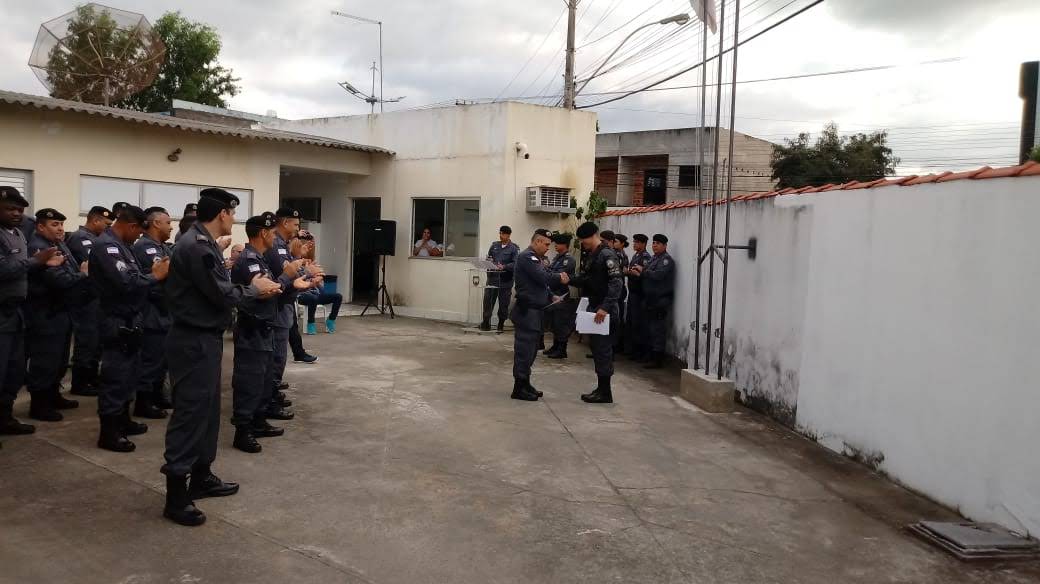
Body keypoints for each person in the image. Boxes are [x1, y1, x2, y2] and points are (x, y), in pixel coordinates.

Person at [161, 188, 281, 527]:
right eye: (232, 213)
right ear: (223, 214)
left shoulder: (201, 243)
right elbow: (222, 294)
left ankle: (201, 475)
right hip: (193, 340)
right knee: (190, 414)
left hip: (204, 340)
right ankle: (176, 495)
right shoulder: (198, 247)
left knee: (208, 412)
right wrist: (254, 289)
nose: (233, 219)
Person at [90, 205, 169, 452]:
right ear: (132, 226)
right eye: (137, 232)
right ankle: (109, 433)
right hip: (116, 319)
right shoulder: (107, 246)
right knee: (116, 376)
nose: (138, 237)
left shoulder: (123, 246)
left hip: (131, 318)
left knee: (130, 373)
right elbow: (126, 282)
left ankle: (123, 420)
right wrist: (155, 276)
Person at [230, 213, 311, 453]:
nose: (273, 236)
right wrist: (288, 277)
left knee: (263, 379)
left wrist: (292, 284)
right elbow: (266, 291)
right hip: (252, 329)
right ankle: (243, 431)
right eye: (271, 232)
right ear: (264, 233)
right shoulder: (249, 260)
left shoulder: (260, 259)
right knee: (249, 381)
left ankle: (257, 420)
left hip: (264, 327)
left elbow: (274, 290)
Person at [24, 208, 91, 423]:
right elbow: (60, 280)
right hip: (45, 311)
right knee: (46, 359)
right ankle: (39, 404)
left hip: (61, 310)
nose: (60, 228)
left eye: (61, 224)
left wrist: (76, 275)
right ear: (40, 226)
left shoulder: (58, 244)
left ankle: (53, 395)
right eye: (54, 225)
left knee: (59, 358)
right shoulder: (39, 248)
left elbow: (68, 272)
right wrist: (81, 275)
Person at [263, 207, 322, 420]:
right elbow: (285, 276)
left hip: (283, 305)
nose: (298, 230)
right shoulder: (276, 246)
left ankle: (272, 394)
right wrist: (306, 274)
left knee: (278, 356)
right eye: (296, 225)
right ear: (285, 222)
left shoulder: (282, 245)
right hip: (277, 307)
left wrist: (306, 276)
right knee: (276, 357)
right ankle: (268, 401)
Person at [510, 229, 568, 401]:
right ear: (537, 242)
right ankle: (519, 388)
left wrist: (551, 296)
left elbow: (540, 285)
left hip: (536, 313)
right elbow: (542, 276)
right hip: (527, 312)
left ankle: (525, 383)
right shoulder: (527, 257)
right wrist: (560, 277)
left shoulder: (537, 259)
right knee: (524, 350)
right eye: (546, 244)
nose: (548, 248)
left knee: (532, 350)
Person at [570, 222, 623, 404]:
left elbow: (616, 283)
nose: (582, 244)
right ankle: (601, 389)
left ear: (592, 236)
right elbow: (587, 279)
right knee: (598, 349)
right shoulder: (593, 254)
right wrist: (569, 280)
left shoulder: (607, 254)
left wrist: (605, 307)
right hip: (596, 308)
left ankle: (605, 392)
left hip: (604, 311)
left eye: (583, 240)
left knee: (603, 350)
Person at [131, 207, 174, 418]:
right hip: (152, 312)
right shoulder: (146, 248)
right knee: (150, 360)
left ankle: (156, 395)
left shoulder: (161, 247)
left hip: (164, 313)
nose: (171, 226)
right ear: (156, 223)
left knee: (161, 359)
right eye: (167, 222)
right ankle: (143, 402)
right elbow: (155, 283)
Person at [66, 205, 113, 397]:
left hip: (96, 298)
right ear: (95, 221)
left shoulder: (96, 239)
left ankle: (91, 378)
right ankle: (80, 382)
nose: (109, 228)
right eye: (106, 224)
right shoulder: (81, 238)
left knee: (95, 341)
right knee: (87, 340)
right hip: (85, 299)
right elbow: (95, 263)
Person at [631, 234, 676, 369]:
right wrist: (640, 271)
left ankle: (657, 359)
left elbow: (658, 275)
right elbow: (648, 272)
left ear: (664, 245)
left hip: (660, 300)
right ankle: (649, 355)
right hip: (650, 299)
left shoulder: (666, 260)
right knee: (648, 329)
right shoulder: (654, 259)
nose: (654, 245)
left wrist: (643, 272)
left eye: (658, 243)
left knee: (657, 329)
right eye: (653, 243)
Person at [296, 232, 343, 335]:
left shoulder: (311, 261)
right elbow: (296, 283)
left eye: (310, 246)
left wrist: (319, 277)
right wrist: (310, 278)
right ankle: (311, 323)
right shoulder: (295, 263)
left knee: (338, 296)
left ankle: (331, 320)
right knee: (313, 298)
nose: (308, 249)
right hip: (302, 294)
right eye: (306, 246)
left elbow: (318, 275)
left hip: (316, 292)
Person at [543, 233, 576, 359]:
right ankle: (556, 346)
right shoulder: (557, 258)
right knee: (554, 322)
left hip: (561, 294)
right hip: (554, 293)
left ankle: (562, 349)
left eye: (558, 243)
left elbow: (559, 275)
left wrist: (548, 271)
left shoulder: (569, 260)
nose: (555, 246)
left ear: (565, 245)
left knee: (561, 322)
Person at [480, 226, 519, 332]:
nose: (501, 236)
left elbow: (516, 263)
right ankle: (486, 322)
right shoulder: (494, 245)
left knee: (503, 303)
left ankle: (501, 324)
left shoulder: (514, 248)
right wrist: (488, 261)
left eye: (503, 234)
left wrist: (505, 266)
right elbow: (490, 257)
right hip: (492, 278)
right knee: (488, 300)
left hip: (505, 280)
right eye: (500, 233)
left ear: (508, 235)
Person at [624, 234, 652, 362]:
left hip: (640, 294)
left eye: (637, 242)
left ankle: (639, 352)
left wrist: (628, 272)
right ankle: (632, 350)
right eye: (634, 242)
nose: (634, 244)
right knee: (630, 322)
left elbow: (641, 275)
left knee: (638, 323)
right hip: (633, 293)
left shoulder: (645, 257)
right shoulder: (636, 255)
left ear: (643, 244)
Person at [611, 234, 630, 355]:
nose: (614, 243)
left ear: (622, 243)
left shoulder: (618, 255)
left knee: (615, 318)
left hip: (617, 289)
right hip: (620, 289)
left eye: (616, 241)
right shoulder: (620, 254)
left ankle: (614, 346)